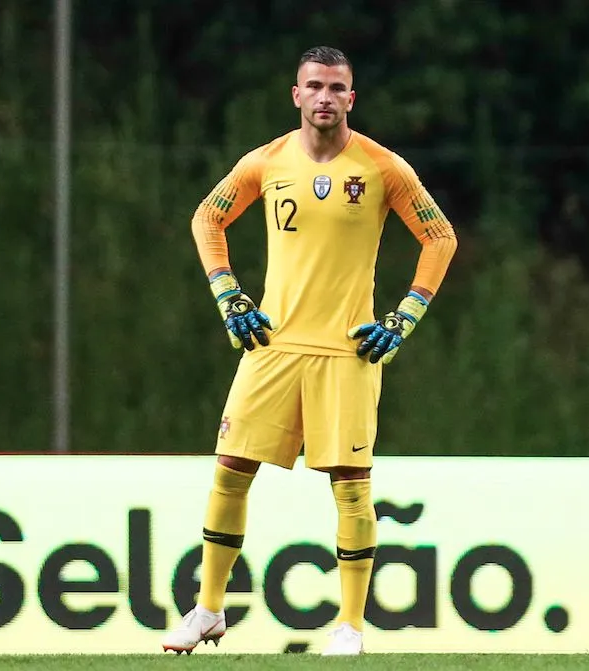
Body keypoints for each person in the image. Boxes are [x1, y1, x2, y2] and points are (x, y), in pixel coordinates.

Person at [161, 46, 458, 656]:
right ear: (295, 95)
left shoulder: (381, 168)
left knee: (351, 486)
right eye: (315, 86)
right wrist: (227, 293)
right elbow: (206, 219)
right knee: (230, 471)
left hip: (348, 351)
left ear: (353, 97)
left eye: (338, 87)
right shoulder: (266, 162)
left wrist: (402, 320)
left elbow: (439, 237)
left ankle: (350, 626)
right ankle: (208, 610)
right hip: (272, 346)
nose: (326, 97)